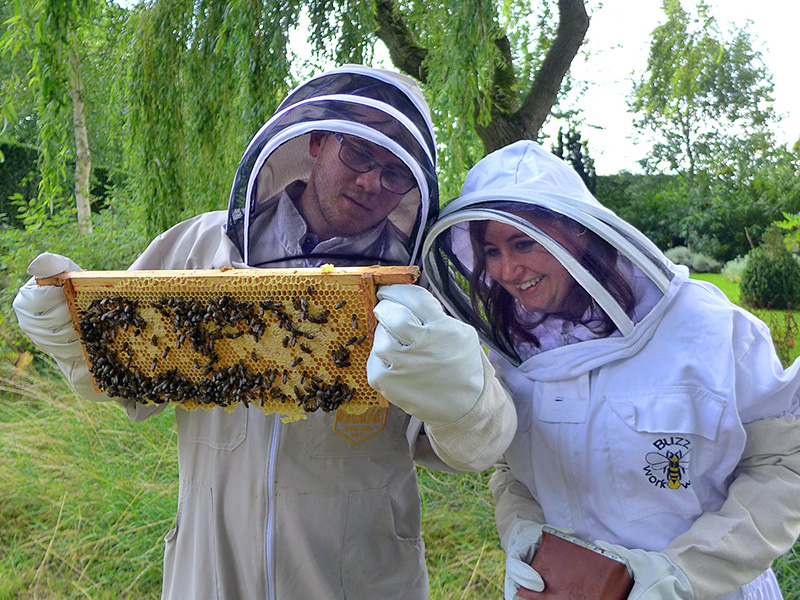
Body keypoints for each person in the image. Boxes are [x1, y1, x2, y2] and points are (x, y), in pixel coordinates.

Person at [12, 65, 516, 600]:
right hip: (210, 563)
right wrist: (74, 339)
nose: (372, 181)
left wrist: (465, 399)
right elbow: (129, 385)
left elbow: (478, 447)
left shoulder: (420, 286)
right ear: (317, 140)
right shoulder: (200, 247)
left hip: (355, 574)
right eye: (360, 153)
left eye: (395, 172)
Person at [421, 140, 800, 600]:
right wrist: (522, 529)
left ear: (579, 232)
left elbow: (781, 466)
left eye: (524, 243)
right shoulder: (511, 352)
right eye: (492, 251)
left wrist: (685, 573)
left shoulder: (710, 328)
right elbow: (512, 469)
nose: (507, 269)